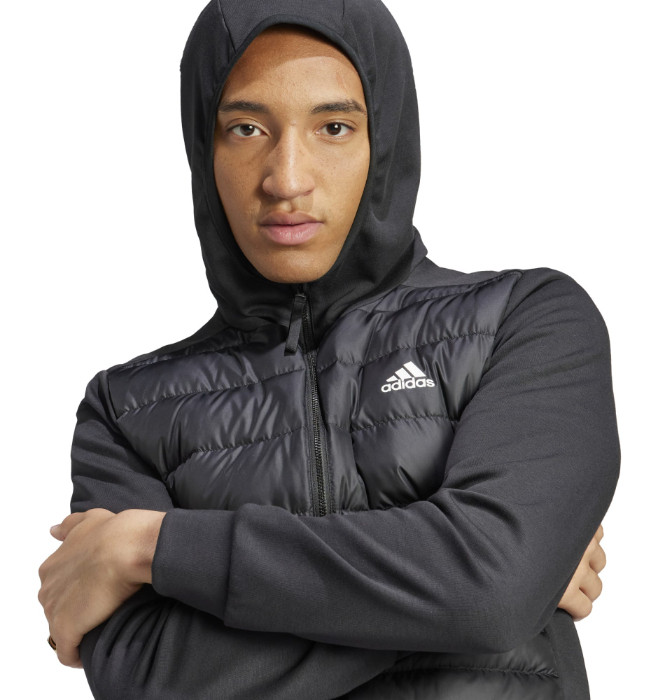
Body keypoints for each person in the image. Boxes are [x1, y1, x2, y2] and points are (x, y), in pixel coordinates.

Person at [38, 0, 620, 698]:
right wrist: (478, 583)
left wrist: (148, 546)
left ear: (385, 140)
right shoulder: (128, 409)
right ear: (203, 147)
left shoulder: (525, 320)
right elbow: (151, 679)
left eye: (334, 127)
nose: (286, 179)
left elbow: (491, 590)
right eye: (246, 128)